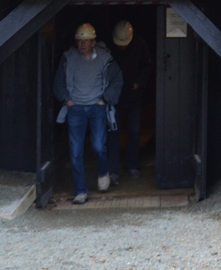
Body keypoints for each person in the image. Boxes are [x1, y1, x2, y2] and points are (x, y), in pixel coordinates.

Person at [53, 23, 123, 204]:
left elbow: (118, 78)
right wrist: (66, 100)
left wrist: (105, 99)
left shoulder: (104, 58)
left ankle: (102, 172)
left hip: (96, 108)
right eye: (80, 41)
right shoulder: (68, 58)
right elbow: (58, 82)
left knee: (99, 146)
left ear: (93, 42)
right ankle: (81, 191)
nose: (82, 44)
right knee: (75, 151)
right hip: (75, 109)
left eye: (86, 41)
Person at [107, 20, 153, 181]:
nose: (122, 47)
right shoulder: (108, 48)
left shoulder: (140, 45)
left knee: (134, 132)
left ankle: (132, 165)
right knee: (113, 133)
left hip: (134, 97)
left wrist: (139, 83)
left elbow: (148, 66)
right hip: (115, 97)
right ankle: (112, 170)